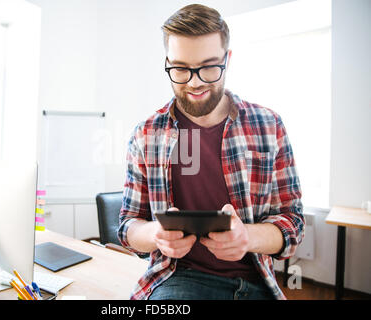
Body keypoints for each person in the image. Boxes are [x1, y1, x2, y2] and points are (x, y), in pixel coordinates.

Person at [117, 4, 305, 300]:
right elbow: (128, 226)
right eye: (180, 68)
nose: (194, 82)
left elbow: (292, 223)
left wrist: (247, 238)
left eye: (208, 67)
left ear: (227, 60)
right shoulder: (145, 135)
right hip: (178, 279)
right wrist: (157, 235)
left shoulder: (270, 125)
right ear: (167, 61)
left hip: (257, 282)